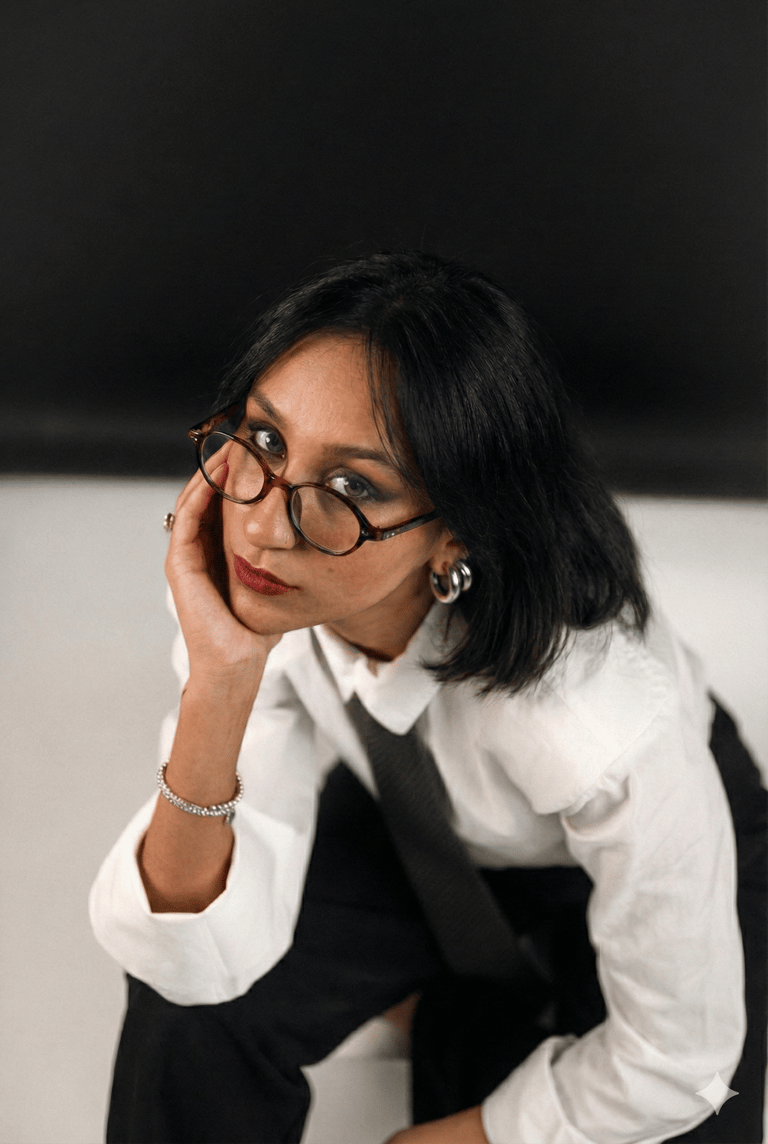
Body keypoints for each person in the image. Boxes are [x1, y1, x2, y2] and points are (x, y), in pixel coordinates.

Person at [90, 250, 766, 1144]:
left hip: (648, 842)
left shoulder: (599, 722)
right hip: (415, 823)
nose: (261, 525)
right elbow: (183, 954)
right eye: (266, 440)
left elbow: (681, 1060)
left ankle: (477, 1002)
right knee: (189, 1017)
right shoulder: (260, 586)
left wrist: (464, 1136)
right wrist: (222, 676)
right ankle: (461, 993)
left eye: (352, 487)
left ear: (456, 537)